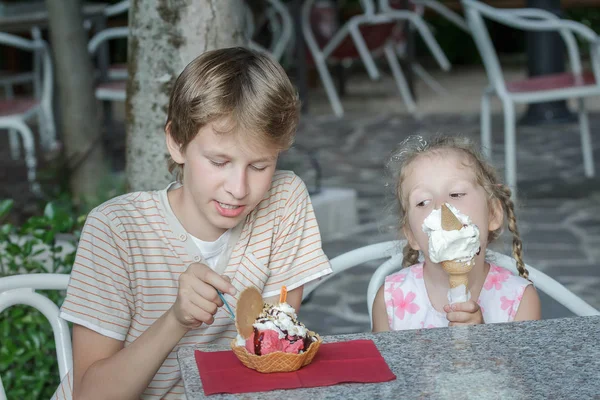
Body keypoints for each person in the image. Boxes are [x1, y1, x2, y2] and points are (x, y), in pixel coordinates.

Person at [51, 47, 332, 399]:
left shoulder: (282, 200)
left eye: (259, 166)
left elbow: (273, 355)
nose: (238, 188)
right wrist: (176, 320)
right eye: (218, 162)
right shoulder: (115, 230)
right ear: (177, 143)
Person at [372, 135, 541, 332]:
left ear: (493, 214)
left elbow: (520, 363)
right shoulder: (390, 300)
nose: (442, 208)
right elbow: (380, 363)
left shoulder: (519, 299)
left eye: (456, 194)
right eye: (423, 202)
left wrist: (484, 339)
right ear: (411, 235)